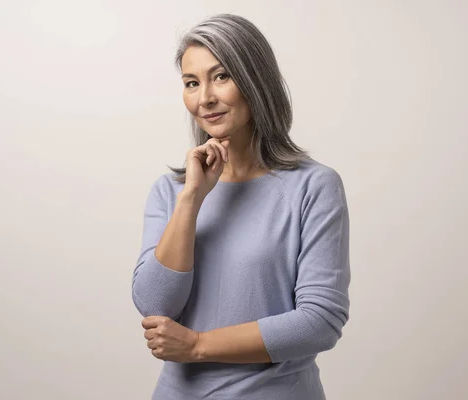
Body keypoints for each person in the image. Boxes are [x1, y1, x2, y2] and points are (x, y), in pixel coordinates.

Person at [131, 13, 351, 400]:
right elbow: (154, 306)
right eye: (191, 83)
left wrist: (198, 344)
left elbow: (319, 322)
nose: (205, 98)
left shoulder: (314, 186)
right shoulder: (171, 192)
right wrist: (192, 201)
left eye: (221, 76)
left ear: (255, 80)